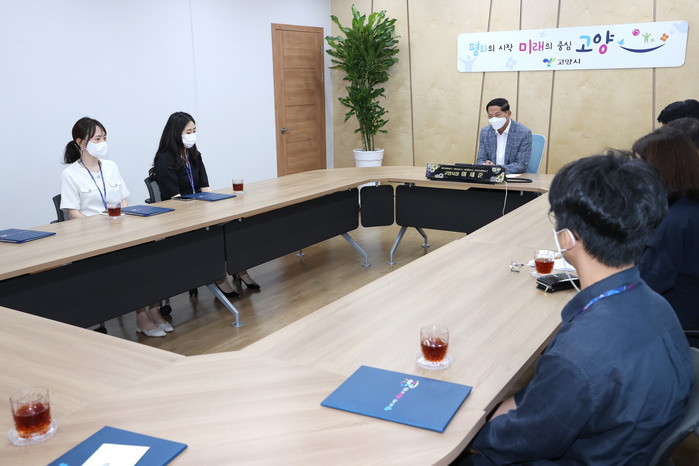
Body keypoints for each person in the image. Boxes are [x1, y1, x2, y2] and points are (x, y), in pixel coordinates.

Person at [463, 151, 693, 464]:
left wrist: (464, 433)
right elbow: (543, 405)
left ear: (567, 239)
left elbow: (513, 441)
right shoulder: (656, 304)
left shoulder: (578, 355)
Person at [60, 117, 172, 337]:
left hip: (120, 230)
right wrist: (100, 227)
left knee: (149, 253)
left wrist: (120, 222)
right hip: (93, 237)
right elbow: (73, 214)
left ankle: (154, 310)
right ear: (81, 143)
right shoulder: (70, 174)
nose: (102, 143)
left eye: (104, 138)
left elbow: (123, 201)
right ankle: (141, 318)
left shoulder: (111, 167)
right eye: (97, 139)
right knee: (131, 263)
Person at [149, 112, 260, 295]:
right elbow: (175, 199)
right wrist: (200, 210)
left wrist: (214, 207)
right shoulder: (165, 159)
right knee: (214, 233)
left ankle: (240, 270)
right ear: (175, 133)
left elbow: (205, 187)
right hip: (180, 215)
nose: (192, 135)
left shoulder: (194, 154)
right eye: (188, 131)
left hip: (199, 209)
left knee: (235, 225)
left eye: (194, 130)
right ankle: (220, 279)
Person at [633, 126, 699, 347]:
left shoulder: (674, 222)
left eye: (638, 165)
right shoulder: (687, 208)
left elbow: (644, 286)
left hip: (676, 328)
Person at [475, 98, 531, 174]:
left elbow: (521, 165)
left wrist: (496, 169)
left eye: (497, 115)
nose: (494, 119)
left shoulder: (523, 133)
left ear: (508, 114)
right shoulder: (485, 132)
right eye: (490, 116)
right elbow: (481, 159)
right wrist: (484, 165)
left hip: (514, 177)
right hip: (490, 176)